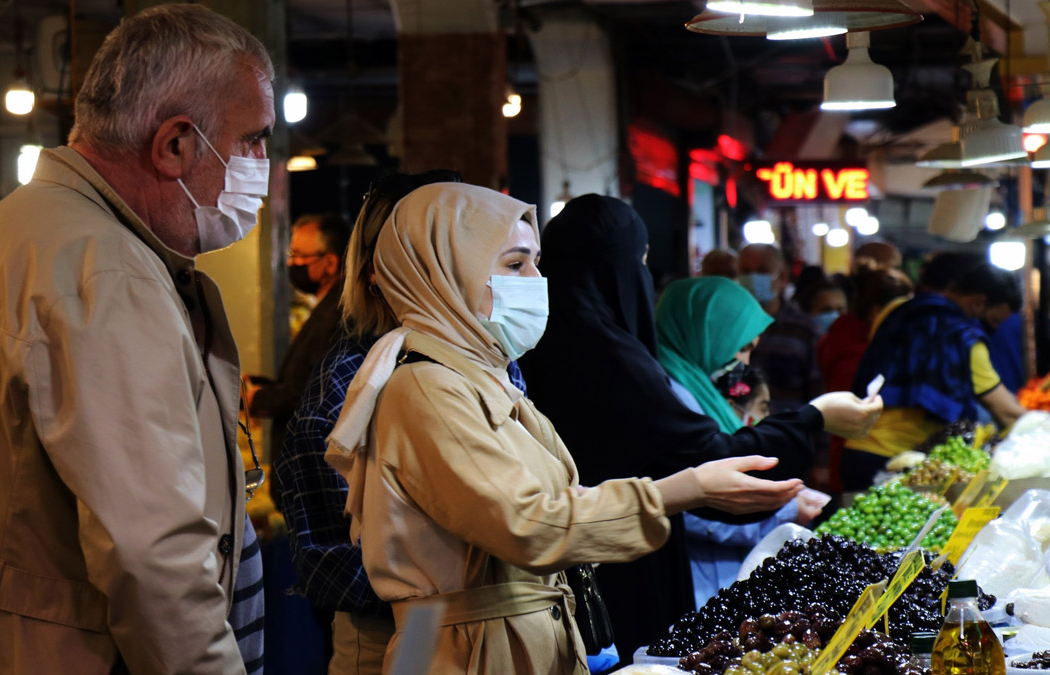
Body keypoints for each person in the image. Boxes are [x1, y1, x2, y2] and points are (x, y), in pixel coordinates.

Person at [323, 183, 810, 674]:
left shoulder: (483, 378)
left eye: (536, 261)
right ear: (444, 275)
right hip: (467, 653)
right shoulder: (428, 388)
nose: (537, 279)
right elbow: (530, 524)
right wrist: (680, 491)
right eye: (515, 265)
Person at [0, 6, 271, 673]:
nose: (263, 164)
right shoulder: (107, 274)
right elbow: (154, 558)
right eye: (254, 139)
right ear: (175, 144)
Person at [518, 195, 882, 662]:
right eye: (514, 263)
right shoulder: (611, 360)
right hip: (617, 570)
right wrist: (815, 418)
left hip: (576, 573)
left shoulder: (539, 346)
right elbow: (705, 459)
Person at [276, 171, 511, 675]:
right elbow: (324, 550)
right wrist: (430, 578)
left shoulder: (493, 357)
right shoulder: (353, 381)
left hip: (483, 619)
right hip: (411, 627)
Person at [654, 276, 830, 608]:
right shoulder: (671, 399)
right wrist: (779, 512)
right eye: (742, 347)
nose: (744, 363)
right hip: (698, 579)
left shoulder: (700, 388)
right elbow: (689, 503)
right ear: (706, 332)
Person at [844, 263, 1028, 489]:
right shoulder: (963, 339)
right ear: (978, 302)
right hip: (897, 462)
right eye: (994, 320)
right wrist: (1049, 432)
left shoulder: (897, 309)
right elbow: (1006, 412)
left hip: (857, 447)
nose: (994, 329)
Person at [248, 212, 350, 498]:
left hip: (311, 479)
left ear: (330, 262)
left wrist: (257, 398)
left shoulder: (335, 313)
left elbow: (309, 392)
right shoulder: (326, 306)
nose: (292, 263)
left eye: (299, 255)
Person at [819, 266, 914, 492]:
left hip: (846, 449)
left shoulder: (844, 339)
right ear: (876, 311)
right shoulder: (859, 354)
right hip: (854, 449)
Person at [739, 243, 823, 414]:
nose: (753, 278)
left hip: (787, 435)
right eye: (746, 271)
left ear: (783, 276)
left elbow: (818, 393)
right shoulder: (729, 329)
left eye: (762, 271)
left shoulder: (804, 330)